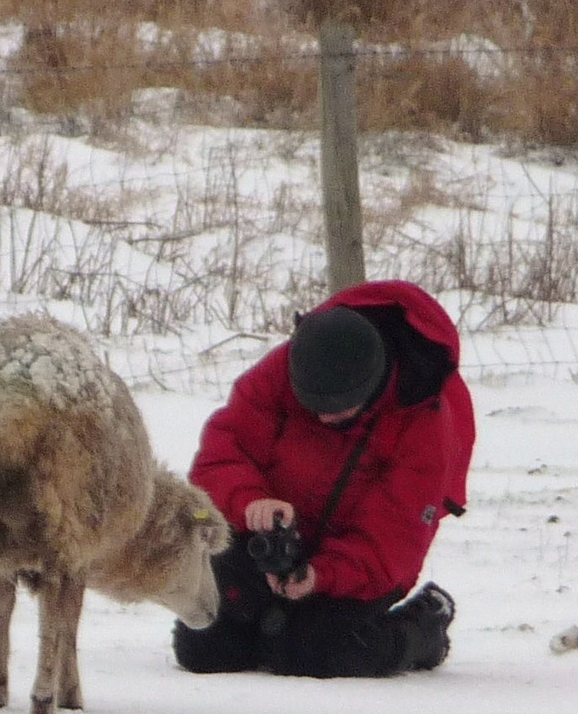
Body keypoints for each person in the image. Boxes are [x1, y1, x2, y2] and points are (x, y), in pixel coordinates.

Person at [173, 279, 475, 678]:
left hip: (357, 567)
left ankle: (422, 629)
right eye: (310, 405)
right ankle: (274, 622)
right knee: (204, 647)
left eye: (338, 410)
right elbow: (219, 457)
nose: (322, 419)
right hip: (268, 542)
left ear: (372, 387)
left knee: (310, 653)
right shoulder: (286, 366)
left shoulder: (424, 421)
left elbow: (391, 545)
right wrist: (252, 504)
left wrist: (320, 575)